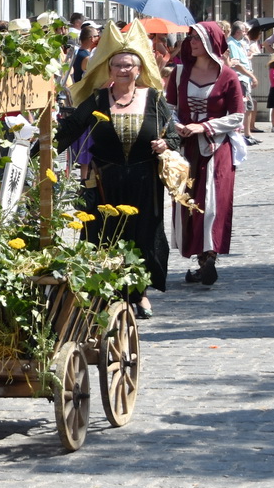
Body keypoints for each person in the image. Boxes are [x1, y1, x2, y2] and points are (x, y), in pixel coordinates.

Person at [57, 21, 177, 317]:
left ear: (140, 70)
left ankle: (140, 293)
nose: (124, 70)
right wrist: (35, 150)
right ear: (109, 70)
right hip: (104, 180)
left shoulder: (156, 100)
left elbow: (173, 135)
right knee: (102, 234)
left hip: (144, 180)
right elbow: (69, 130)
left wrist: (165, 145)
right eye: (118, 66)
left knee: (144, 234)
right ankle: (107, 290)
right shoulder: (97, 100)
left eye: (129, 66)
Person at [164, 22, 245, 287]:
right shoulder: (179, 73)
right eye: (190, 37)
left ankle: (209, 255)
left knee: (211, 202)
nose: (192, 41)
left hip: (216, 147)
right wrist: (177, 125)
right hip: (186, 148)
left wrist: (205, 125)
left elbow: (237, 116)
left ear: (212, 41)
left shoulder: (228, 76)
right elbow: (169, 108)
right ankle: (201, 259)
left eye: (197, 37)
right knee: (188, 203)